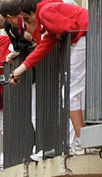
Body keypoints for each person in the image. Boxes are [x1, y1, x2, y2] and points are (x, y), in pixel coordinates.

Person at [8, 0, 88, 146]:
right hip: (86, 37)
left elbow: (70, 28)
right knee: (74, 93)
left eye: (27, 21)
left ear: (32, 14)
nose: (30, 27)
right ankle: (81, 139)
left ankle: (83, 140)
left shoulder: (45, 12)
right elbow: (43, 47)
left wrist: (58, 35)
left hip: (83, 38)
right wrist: (18, 71)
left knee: (70, 93)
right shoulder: (47, 12)